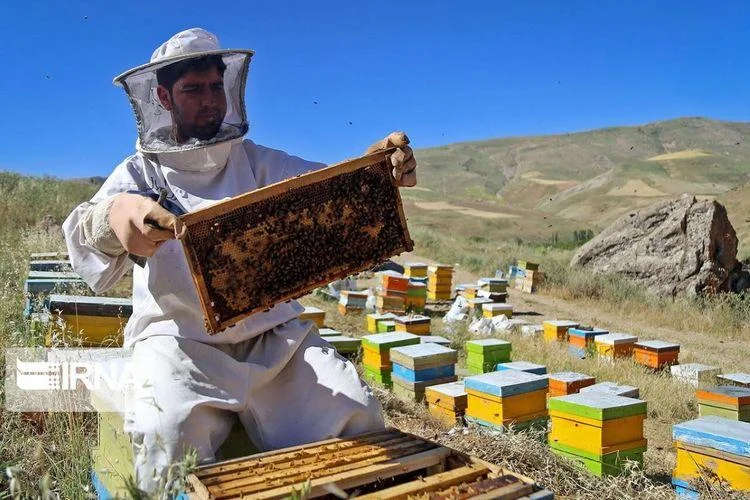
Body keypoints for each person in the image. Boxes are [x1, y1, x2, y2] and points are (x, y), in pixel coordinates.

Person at [62, 28, 417, 494]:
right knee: (165, 433)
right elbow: (83, 231)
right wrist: (115, 217)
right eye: (194, 90)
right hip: (180, 343)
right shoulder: (137, 171)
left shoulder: (261, 164)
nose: (210, 100)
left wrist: (373, 173)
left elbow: (328, 191)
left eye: (215, 87)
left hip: (276, 341)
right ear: (164, 97)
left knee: (357, 412)